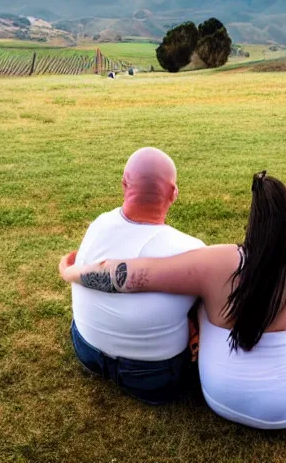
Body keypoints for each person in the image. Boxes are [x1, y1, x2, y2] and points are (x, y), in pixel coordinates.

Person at [60, 171, 286, 429]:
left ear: (252, 221)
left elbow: (128, 276)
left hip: (224, 398)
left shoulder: (218, 262)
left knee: (201, 297)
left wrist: (70, 272)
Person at [68, 147, 205, 405]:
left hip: (86, 349)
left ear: (123, 184)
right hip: (154, 376)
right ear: (173, 193)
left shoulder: (100, 224)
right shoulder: (192, 249)